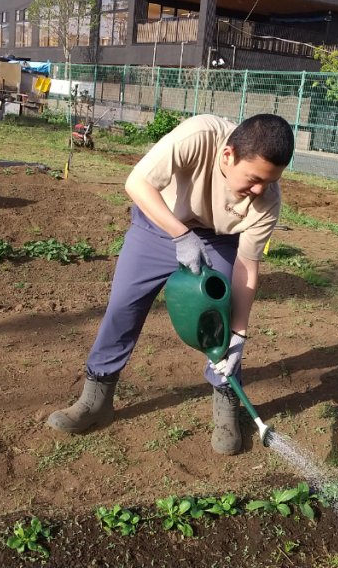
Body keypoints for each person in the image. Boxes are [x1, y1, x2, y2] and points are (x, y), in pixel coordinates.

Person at [47, 113, 295, 455]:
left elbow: (247, 266)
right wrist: (180, 234)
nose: (259, 190)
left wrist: (238, 334)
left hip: (219, 240)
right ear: (228, 156)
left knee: (220, 320)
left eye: (269, 182)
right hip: (158, 225)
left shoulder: (267, 199)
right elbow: (137, 183)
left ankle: (226, 404)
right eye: (254, 179)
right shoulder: (198, 136)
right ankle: (96, 399)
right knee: (123, 308)